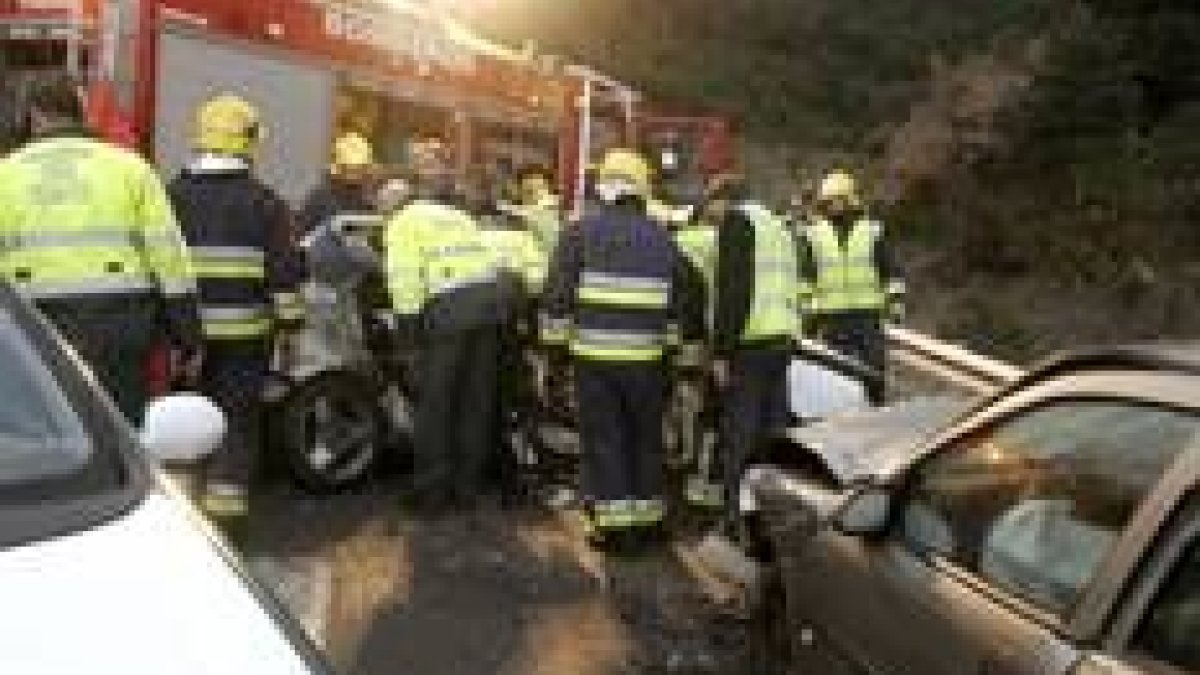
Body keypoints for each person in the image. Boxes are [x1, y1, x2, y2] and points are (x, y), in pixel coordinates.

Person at [0, 73, 200, 421]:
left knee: (45, 432)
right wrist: (188, 335)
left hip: (31, 329)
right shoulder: (132, 169)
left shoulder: (6, 174)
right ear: (80, 112)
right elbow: (170, 260)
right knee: (118, 429)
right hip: (119, 325)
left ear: (33, 114)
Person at [542, 148, 701, 547]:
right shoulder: (664, 238)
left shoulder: (579, 232)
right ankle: (649, 522)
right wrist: (674, 357)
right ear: (642, 192)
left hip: (594, 360)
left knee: (606, 440)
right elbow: (682, 301)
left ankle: (616, 530)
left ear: (604, 190)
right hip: (647, 362)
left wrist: (554, 355)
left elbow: (558, 298)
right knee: (645, 438)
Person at [167, 94, 304, 536]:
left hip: (184, 340)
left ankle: (178, 513)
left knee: (182, 420)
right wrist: (291, 329)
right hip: (245, 339)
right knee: (237, 420)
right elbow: (284, 276)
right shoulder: (266, 203)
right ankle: (226, 520)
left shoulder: (171, 196)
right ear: (248, 142)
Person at [384, 161, 508, 513]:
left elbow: (405, 283)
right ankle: (466, 490)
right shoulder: (460, 217)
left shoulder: (404, 223)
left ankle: (431, 495)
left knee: (436, 406)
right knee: (473, 404)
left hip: (450, 315)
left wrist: (407, 342)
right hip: (488, 310)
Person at [710, 177, 800, 533]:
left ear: (725, 200)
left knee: (739, 435)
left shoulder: (738, 222)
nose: (711, 215)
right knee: (772, 435)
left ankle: (733, 519)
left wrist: (721, 350)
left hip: (752, 343)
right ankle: (770, 518)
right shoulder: (777, 225)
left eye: (711, 205)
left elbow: (734, 290)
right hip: (782, 339)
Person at [798, 170, 904, 404]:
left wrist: (895, 303)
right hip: (832, 318)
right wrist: (808, 317)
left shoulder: (872, 230)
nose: (834, 206)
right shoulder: (813, 235)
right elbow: (806, 279)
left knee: (874, 373)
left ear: (850, 199)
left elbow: (890, 270)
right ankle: (843, 424)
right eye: (829, 201)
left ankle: (876, 414)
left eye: (838, 200)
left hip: (867, 316)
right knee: (836, 377)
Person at [299, 132, 377, 235]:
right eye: (352, 170)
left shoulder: (366, 205)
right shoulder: (319, 201)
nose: (356, 175)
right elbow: (304, 241)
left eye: (360, 169)